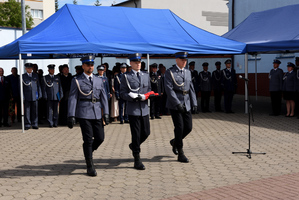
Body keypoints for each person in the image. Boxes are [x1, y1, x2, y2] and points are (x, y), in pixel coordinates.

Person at [67, 55, 109, 177]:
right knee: (88, 139)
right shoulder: (77, 80)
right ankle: (89, 165)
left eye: (92, 65)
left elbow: (104, 97)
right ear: (83, 66)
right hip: (84, 112)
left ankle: (88, 151)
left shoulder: (99, 80)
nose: (90, 67)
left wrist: (106, 113)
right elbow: (73, 98)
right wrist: (71, 115)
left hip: (96, 112)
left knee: (100, 138)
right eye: (88, 65)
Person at [120, 53, 152, 170]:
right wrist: (132, 96)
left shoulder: (145, 75)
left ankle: (133, 146)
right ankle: (137, 159)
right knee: (136, 134)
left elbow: (148, 90)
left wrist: (148, 95)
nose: (138, 64)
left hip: (144, 109)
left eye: (139, 62)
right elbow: (122, 93)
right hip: (133, 110)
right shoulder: (126, 76)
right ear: (131, 63)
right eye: (136, 62)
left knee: (146, 132)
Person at [164, 52, 197, 163]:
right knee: (179, 127)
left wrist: (194, 103)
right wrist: (177, 103)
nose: (184, 62)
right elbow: (169, 89)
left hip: (186, 102)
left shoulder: (187, 72)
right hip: (175, 103)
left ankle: (175, 141)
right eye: (182, 60)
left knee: (188, 127)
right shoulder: (170, 72)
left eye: (185, 60)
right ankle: (180, 152)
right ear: (176, 60)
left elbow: (191, 88)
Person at [22, 63, 42, 130]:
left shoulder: (35, 75)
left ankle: (35, 123)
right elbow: (21, 88)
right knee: (27, 111)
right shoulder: (23, 76)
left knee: (35, 111)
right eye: (28, 68)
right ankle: (27, 124)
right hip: (27, 96)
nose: (30, 69)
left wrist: (40, 94)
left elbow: (38, 85)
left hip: (34, 96)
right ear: (26, 69)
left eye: (31, 68)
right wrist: (22, 97)